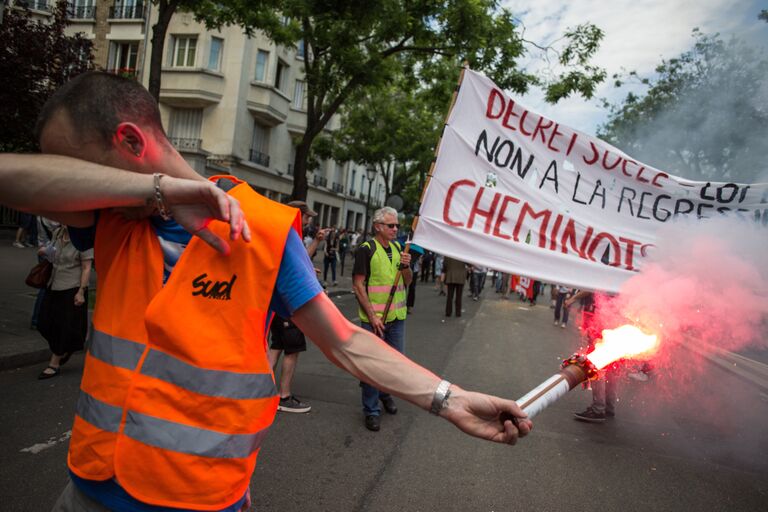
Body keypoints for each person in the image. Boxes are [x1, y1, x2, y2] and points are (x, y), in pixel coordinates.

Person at [0, 71, 531, 512]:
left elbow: (343, 339)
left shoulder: (261, 228)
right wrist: (157, 190)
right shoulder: (112, 216)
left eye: (79, 165)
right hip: (88, 489)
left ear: (132, 142)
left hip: (198, 501)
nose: (75, 180)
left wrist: (449, 398)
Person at [352, 207, 411, 432]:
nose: (396, 229)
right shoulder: (365, 250)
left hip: (397, 317)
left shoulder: (398, 248)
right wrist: (372, 316)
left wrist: (406, 266)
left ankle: (384, 394)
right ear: (378, 227)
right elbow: (358, 285)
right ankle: (371, 409)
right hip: (373, 319)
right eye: (391, 225)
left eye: (397, 225)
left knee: (393, 364)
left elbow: (407, 281)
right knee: (372, 366)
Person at [267, 200, 321, 414]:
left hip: (278, 299)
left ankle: (259, 388)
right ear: (298, 215)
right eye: (307, 217)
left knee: (277, 345)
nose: (309, 221)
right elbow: (294, 263)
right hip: (287, 300)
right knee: (292, 349)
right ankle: (284, 396)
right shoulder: (289, 234)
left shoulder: (281, 232)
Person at [36, 225, 93, 379]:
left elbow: (87, 267)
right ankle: (66, 349)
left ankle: (54, 363)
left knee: (62, 327)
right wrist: (44, 252)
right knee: (44, 322)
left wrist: (81, 291)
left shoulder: (84, 238)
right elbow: (52, 254)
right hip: (53, 283)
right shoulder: (58, 233)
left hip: (71, 287)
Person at [566, 290, 617, 423]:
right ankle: (608, 406)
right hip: (618, 318)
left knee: (597, 364)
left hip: (603, 319)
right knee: (612, 366)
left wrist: (574, 298)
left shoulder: (608, 271)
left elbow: (594, 284)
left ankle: (598, 409)